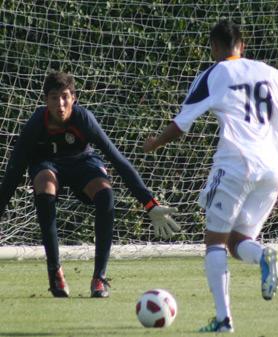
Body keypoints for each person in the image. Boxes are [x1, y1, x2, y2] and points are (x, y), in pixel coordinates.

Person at [143, 20, 278, 332]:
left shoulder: (213, 74)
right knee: (237, 241)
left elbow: (182, 123)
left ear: (214, 47)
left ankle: (223, 319)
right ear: (241, 46)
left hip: (236, 165)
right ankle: (263, 255)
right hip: (274, 170)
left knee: (214, 241)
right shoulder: (269, 72)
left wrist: (155, 143)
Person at [0, 71, 180, 298]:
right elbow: (14, 172)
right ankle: (55, 273)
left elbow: (118, 160)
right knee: (44, 185)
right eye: (54, 97)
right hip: (48, 166)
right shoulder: (36, 124)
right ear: (46, 101)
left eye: (65, 96)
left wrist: (150, 204)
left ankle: (99, 278)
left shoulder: (84, 119)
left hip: (82, 163)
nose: (61, 104)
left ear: (74, 98)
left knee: (105, 194)